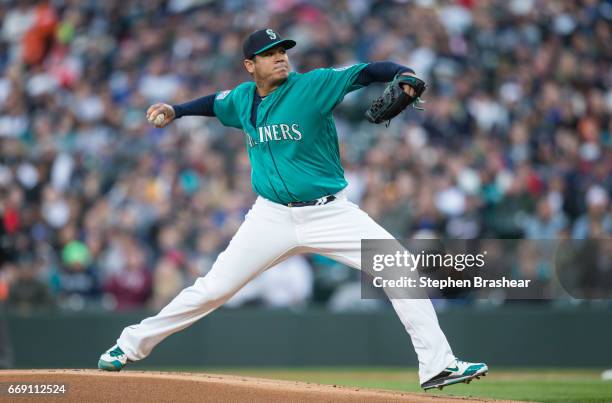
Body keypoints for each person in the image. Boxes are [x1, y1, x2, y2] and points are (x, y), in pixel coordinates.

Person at [98, 28, 487, 390]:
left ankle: (438, 365)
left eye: (282, 50)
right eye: (269, 54)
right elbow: (214, 105)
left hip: (330, 213)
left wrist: (403, 73)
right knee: (212, 289)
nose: (280, 57)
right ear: (250, 65)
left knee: (398, 268)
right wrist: (177, 110)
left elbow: (368, 72)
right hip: (270, 217)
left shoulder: (313, 85)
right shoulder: (240, 99)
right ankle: (128, 345)